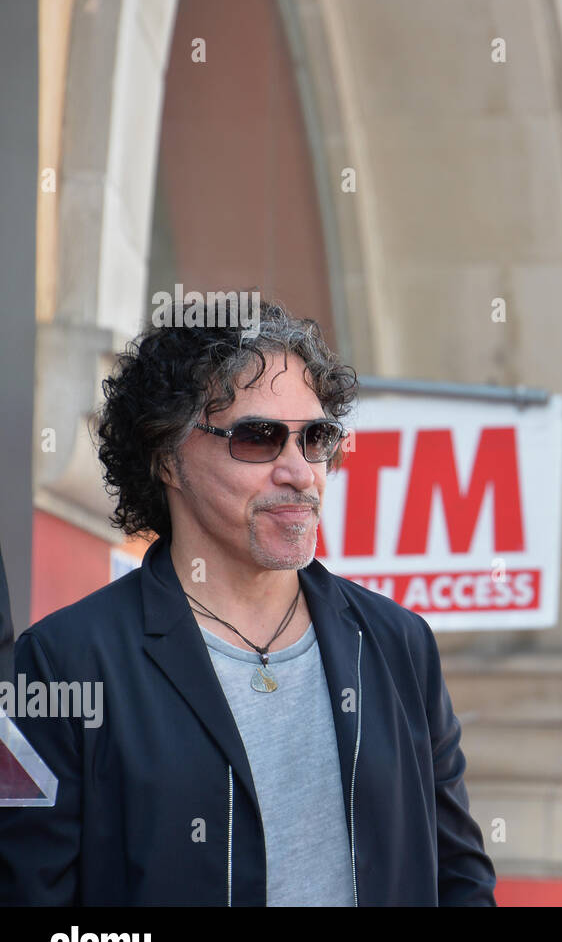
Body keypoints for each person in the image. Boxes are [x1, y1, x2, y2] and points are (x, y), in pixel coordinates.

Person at [0, 299, 496, 906]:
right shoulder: (66, 662)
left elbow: (460, 879)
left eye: (316, 438)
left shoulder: (398, 643)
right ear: (167, 458)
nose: (300, 472)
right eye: (258, 438)